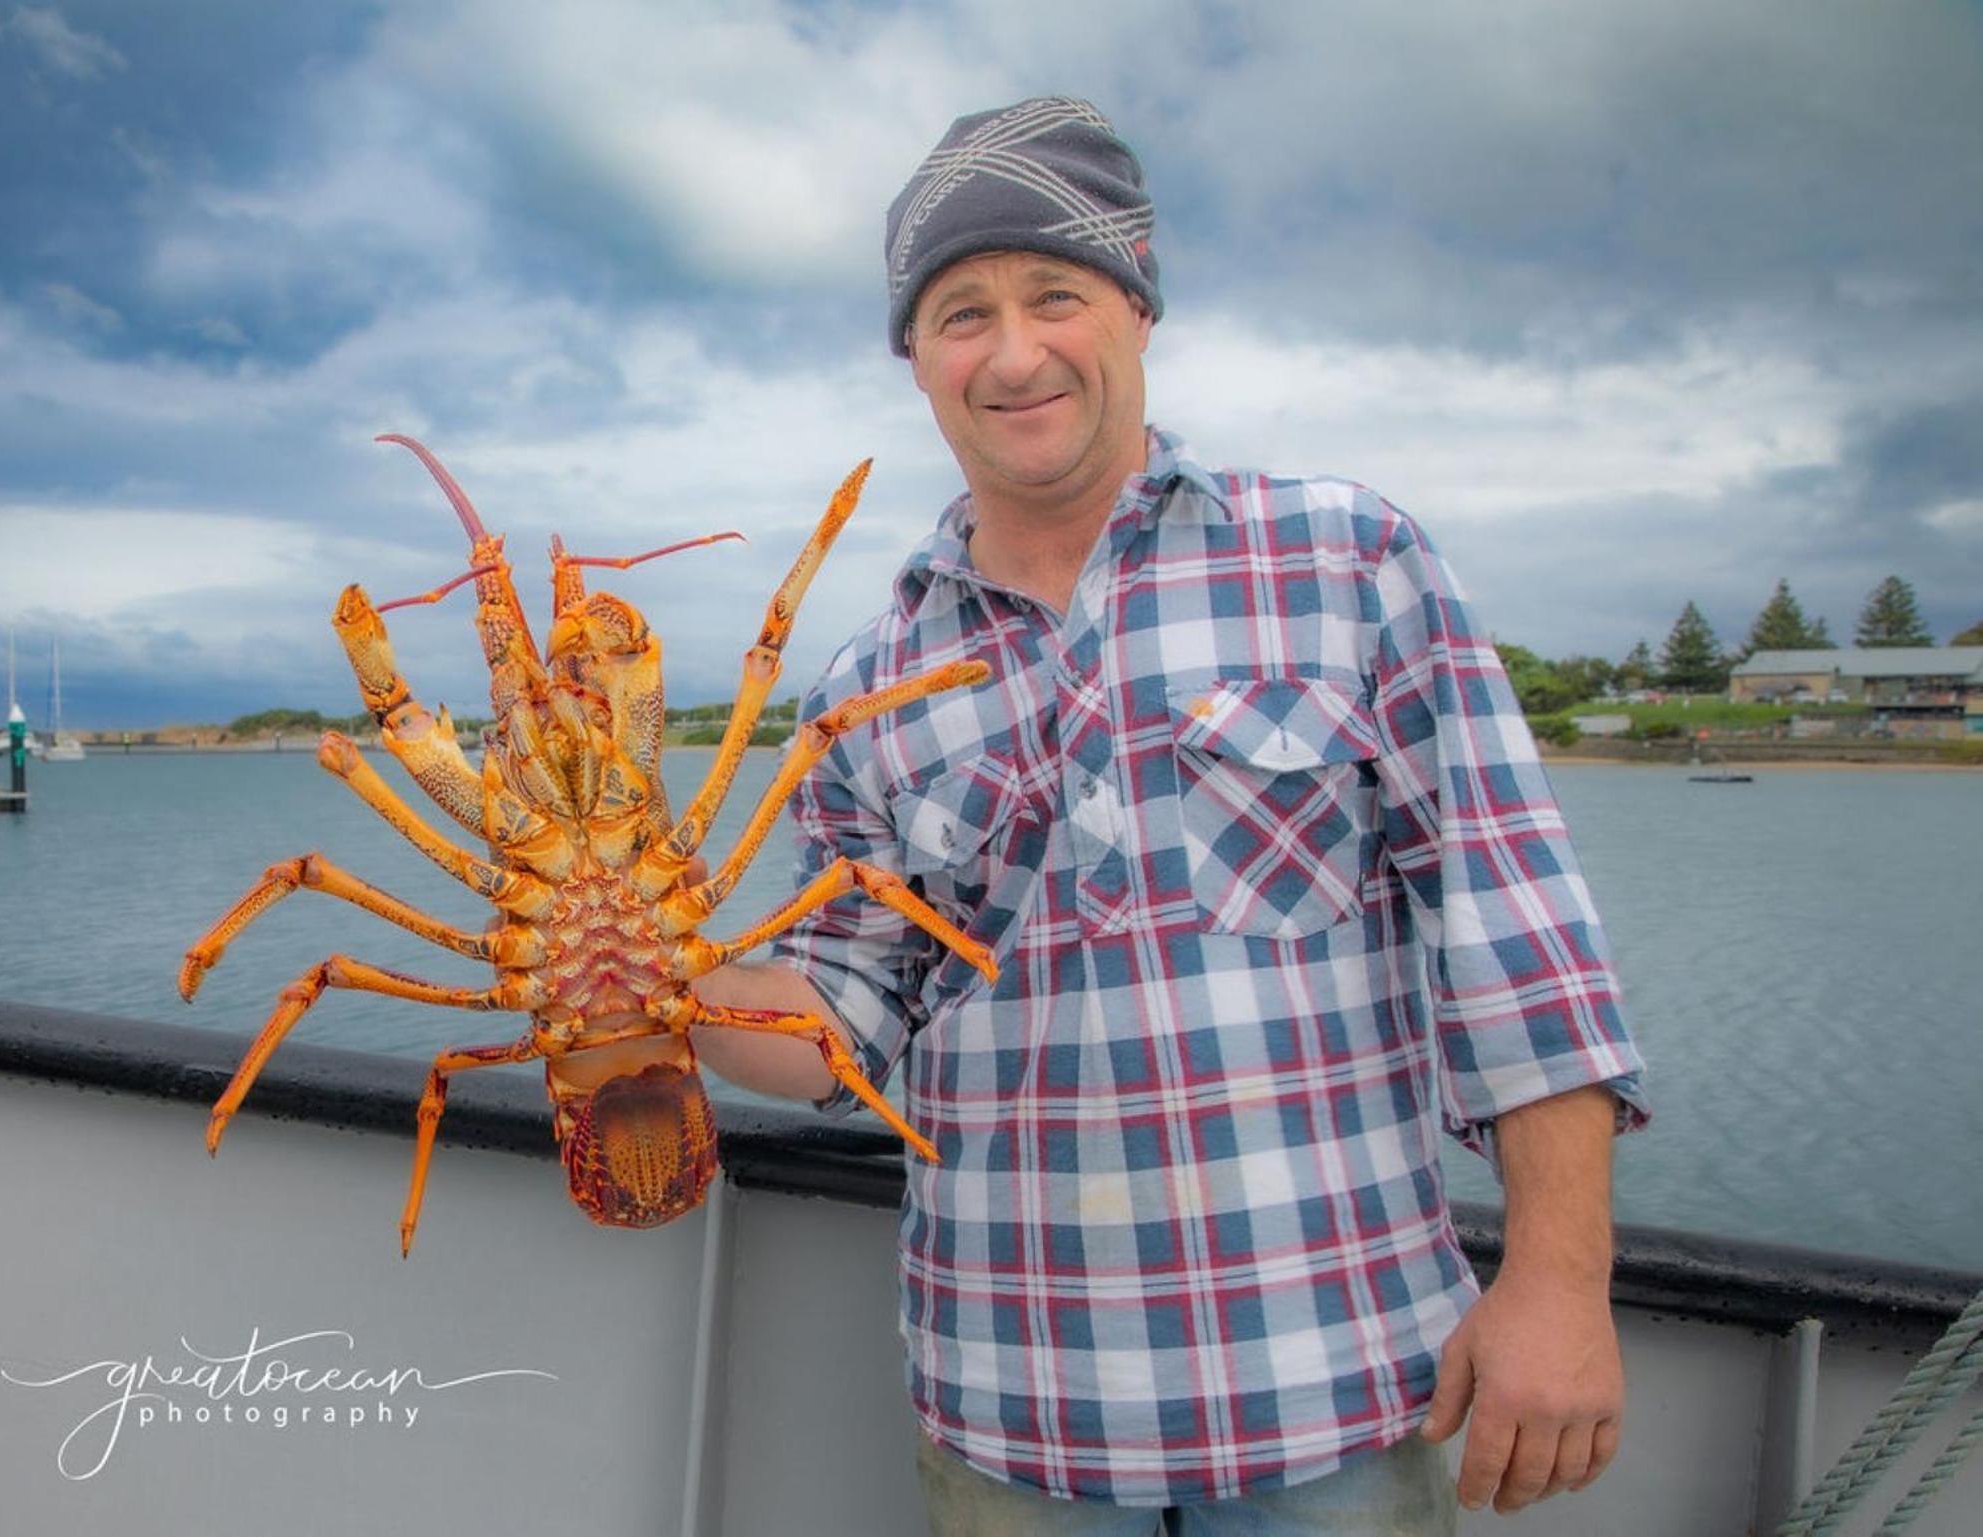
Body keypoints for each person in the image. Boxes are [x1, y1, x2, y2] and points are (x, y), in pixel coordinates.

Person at [692, 96, 1648, 1534]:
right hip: (1012, 1417)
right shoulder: (864, 688)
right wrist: (657, 991)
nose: (1012, 353)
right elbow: (847, 1017)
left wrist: (1562, 1282)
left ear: (1137, 304)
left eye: (1052, 295)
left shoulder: (1348, 559)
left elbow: (1522, 947)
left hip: (1345, 1392)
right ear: (914, 359)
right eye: (960, 314)